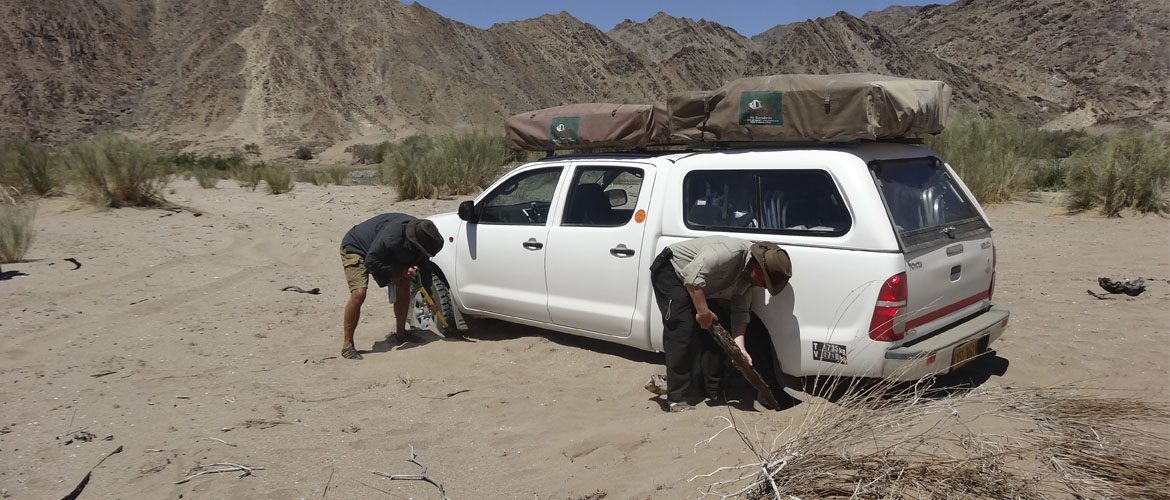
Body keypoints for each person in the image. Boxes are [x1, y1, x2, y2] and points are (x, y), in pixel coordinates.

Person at [648, 235, 791, 411]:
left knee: (712, 335)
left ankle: (710, 391)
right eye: (764, 281)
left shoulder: (747, 280)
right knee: (682, 329)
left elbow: (740, 312)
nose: (762, 287)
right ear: (757, 268)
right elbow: (692, 276)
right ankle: (676, 398)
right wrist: (703, 312)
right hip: (671, 271)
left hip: (697, 286)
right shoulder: (729, 253)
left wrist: (740, 349)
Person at [339, 213, 444, 360]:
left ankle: (401, 333)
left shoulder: (423, 239)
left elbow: (425, 267)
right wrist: (401, 270)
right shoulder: (392, 237)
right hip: (357, 247)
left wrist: (429, 296)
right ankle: (347, 345)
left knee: (403, 283)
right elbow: (371, 261)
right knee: (359, 293)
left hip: (382, 253)